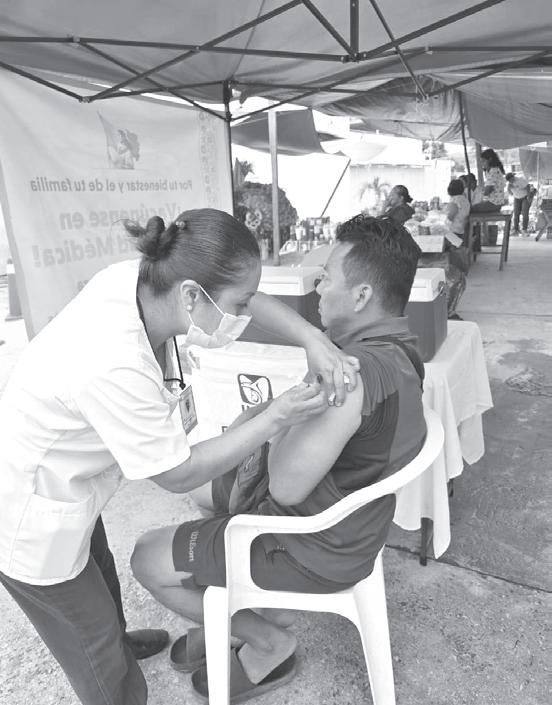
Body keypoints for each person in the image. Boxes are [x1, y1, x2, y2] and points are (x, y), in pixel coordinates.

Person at [0, 208, 360, 705]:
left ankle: (118, 639)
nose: (243, 315)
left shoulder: (148, 280)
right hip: (28, 510)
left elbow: (248, 294)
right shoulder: (114, 360)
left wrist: (311, 339)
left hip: (70, 477)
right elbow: (178, 473)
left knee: (99, 569)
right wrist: (274, 418)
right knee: (91, 646)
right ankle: (114, 674)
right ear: (192, 296)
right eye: (237, 305)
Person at [131, 214, 427, 703]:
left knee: (147, 557)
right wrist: (311, 341)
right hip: (355, 525)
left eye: (326, 278)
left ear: (360, 297)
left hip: (311, 544)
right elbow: (252, 300)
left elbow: (286, 487)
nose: (316, 289)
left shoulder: (346, 376)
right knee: (208, 487)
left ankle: (268, 640)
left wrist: (277, 419)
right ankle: (241, 611)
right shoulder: (397, 350)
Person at [470, 148, 506, 213]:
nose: (482, 164)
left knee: (471, 209)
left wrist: (480, 194)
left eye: (483, 161)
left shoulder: (494, 171)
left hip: (494, 203)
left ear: (490, 159)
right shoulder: (489, 171)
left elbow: (488, 190)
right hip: (493, 202)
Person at [506, 171, 533, 235]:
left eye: (511, 180)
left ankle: (524, 229)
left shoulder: (520, 179)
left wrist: (529, 196)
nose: (510, 181)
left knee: (525, 213)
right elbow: (510, 193)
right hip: (516, 198)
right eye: (509, 181)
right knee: (516, 214)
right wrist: (509, 188)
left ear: (513, 177)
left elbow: (528, 187)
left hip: (524, 198)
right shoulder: (509, 184)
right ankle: (516, 229)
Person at [446, 178, 470, 245]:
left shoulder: (455, 201)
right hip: (460, 231)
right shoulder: (465, 200)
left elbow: (450, 217)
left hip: (453, 234)